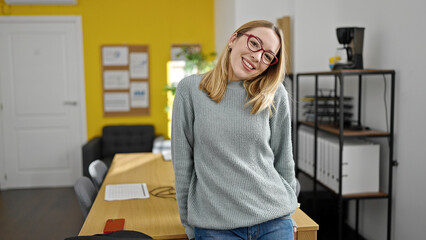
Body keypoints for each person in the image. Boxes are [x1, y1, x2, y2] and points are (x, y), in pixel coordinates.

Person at [171, 20, 298, 240]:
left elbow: (284, 161)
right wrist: (189, 225)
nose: (258, 57)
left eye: (268, 56)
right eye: (254, 43)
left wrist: (289, 211)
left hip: (273, 222)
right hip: (215, 227)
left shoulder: (275, 94)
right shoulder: (190, 90)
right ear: (233, 39)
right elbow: (183, 165)